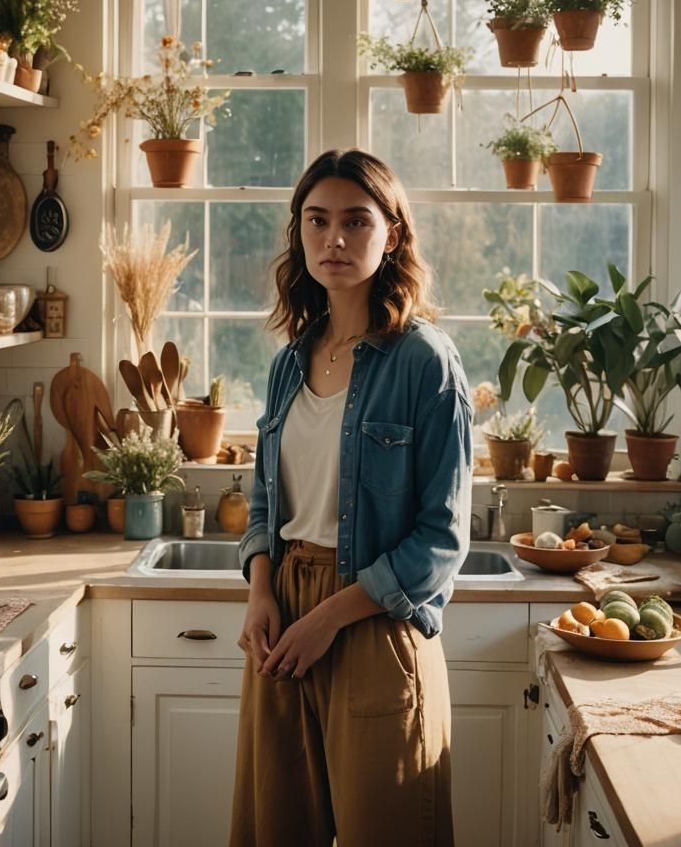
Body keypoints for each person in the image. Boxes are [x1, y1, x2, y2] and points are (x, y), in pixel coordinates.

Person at [230, 148, 473, 846]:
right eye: (317, 221)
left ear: (391, 234)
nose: (333, 239)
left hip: (371, 621)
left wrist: (329, 617)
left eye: (355, 221)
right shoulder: (288, 363)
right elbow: (263, 502)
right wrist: (261, 593)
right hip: (283, 623)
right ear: (299, 232)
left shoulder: (426, 361)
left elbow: (441, 539)